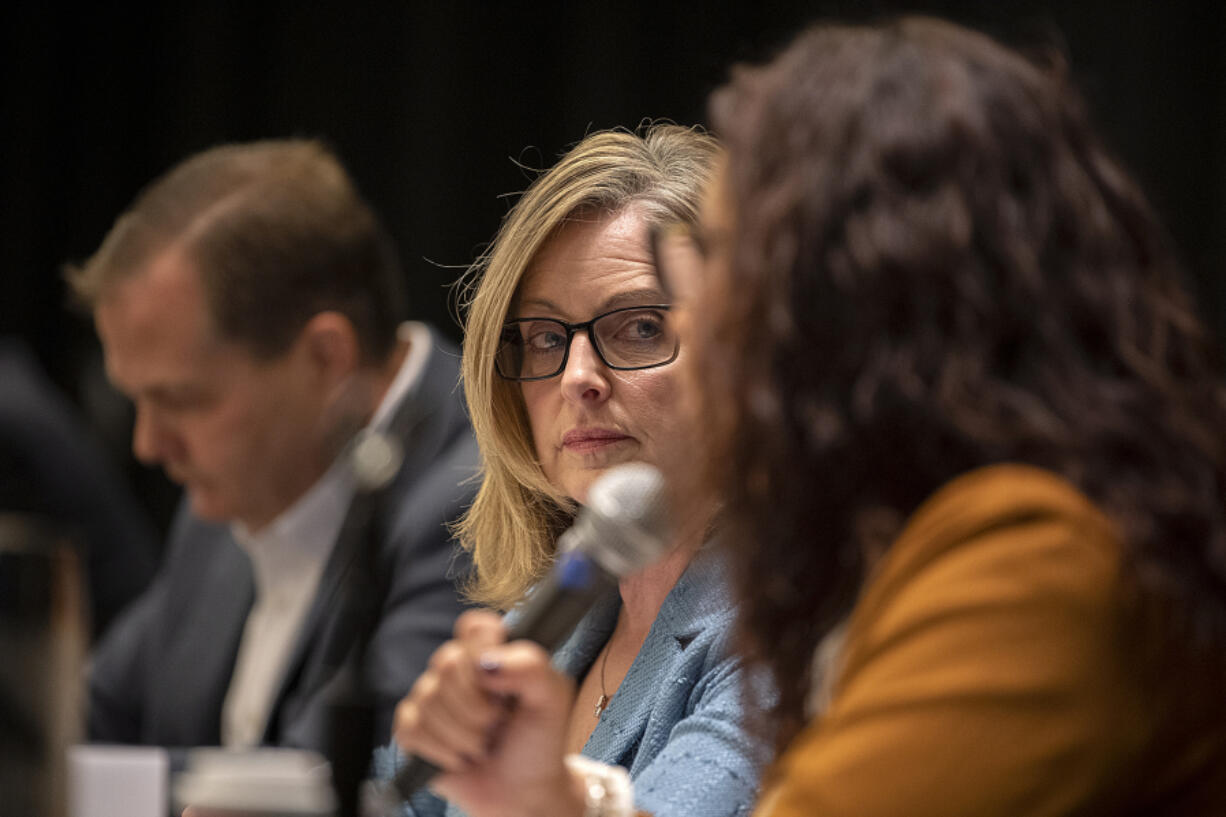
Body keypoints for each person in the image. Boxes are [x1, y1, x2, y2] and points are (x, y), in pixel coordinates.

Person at [675, 16, 1226, 815]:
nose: (696, 310)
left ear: (848, 292)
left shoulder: (1034, 558)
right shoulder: (963, 531)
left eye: (721, 255)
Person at [379, 124, 768, 817]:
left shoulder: (781, 631)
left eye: (641, 326)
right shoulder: (553, 617)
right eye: (547, 338)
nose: (577, 377)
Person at [68, 139, 480, 756]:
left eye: (180, 400)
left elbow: (347, 783)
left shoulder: (480, 498)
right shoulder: (238, 483)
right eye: (137, 402)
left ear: (325, 358)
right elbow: (88, 722)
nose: (148, 444)